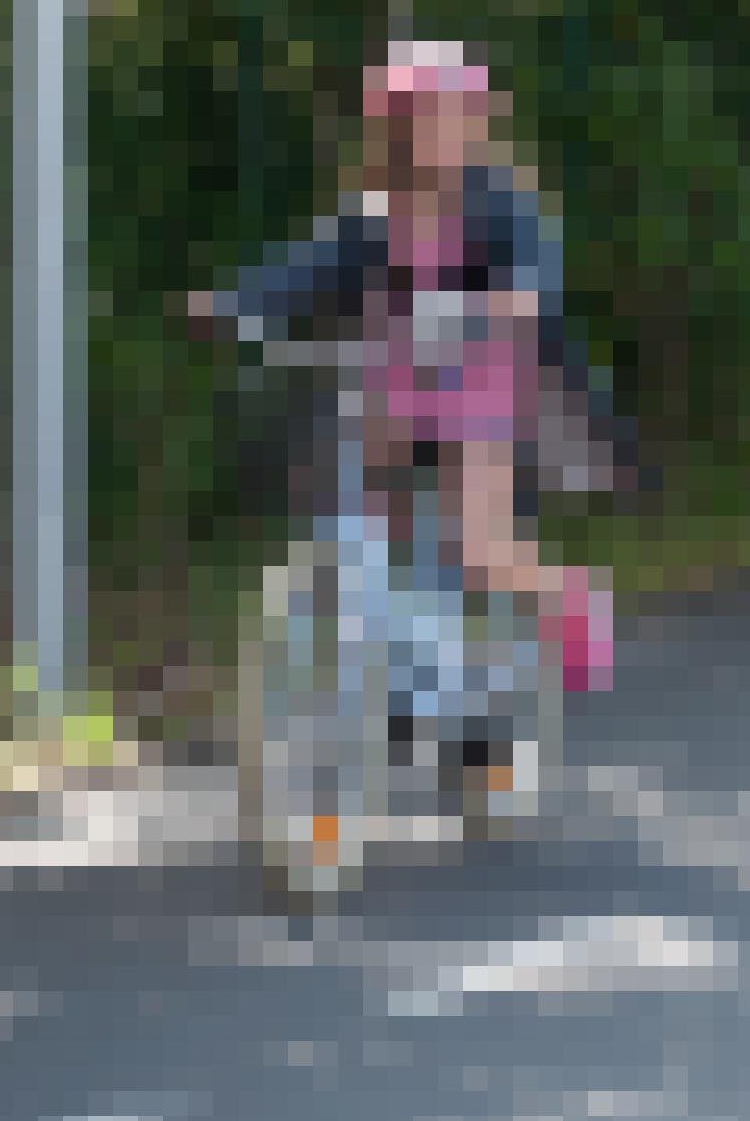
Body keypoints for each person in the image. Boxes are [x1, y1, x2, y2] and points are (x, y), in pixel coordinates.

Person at [187, 40, 622, 694]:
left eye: (445, 117)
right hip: (395, 389)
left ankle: (567, 594)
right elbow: (301, 271)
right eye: (414, 119)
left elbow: (538, 278)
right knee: (348, 505)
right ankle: (401, 656)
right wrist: (236, 303)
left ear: (476, 124)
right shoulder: (374, 217)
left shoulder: (502, 206)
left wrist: (501, 300)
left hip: (480, 390)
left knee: (476, 544)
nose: (430, 133)